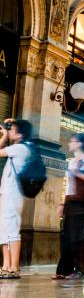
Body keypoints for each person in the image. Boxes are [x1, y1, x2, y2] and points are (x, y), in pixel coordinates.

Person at [55, 133, 84, 283]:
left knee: (77, 237)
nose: (69, 143)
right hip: (71, 201)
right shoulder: (72, 161)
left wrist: (78, 173)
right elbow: (70, 186)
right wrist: (63, 203)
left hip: (81, 203)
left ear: (80, 144)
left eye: (72, 141)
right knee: (66, 236)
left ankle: (79, 270)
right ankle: (64, 270)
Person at [0, 119, 31, 279]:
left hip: (13, 194)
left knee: (12, 230)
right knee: (4, 230)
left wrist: (4, 137)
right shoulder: (18, 147)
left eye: (12, 130)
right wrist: (12, 123)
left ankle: (14, 267)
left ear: (19, 134)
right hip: (7, 193)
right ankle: (6, 265)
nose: (9, 131)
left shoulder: (20, 148)